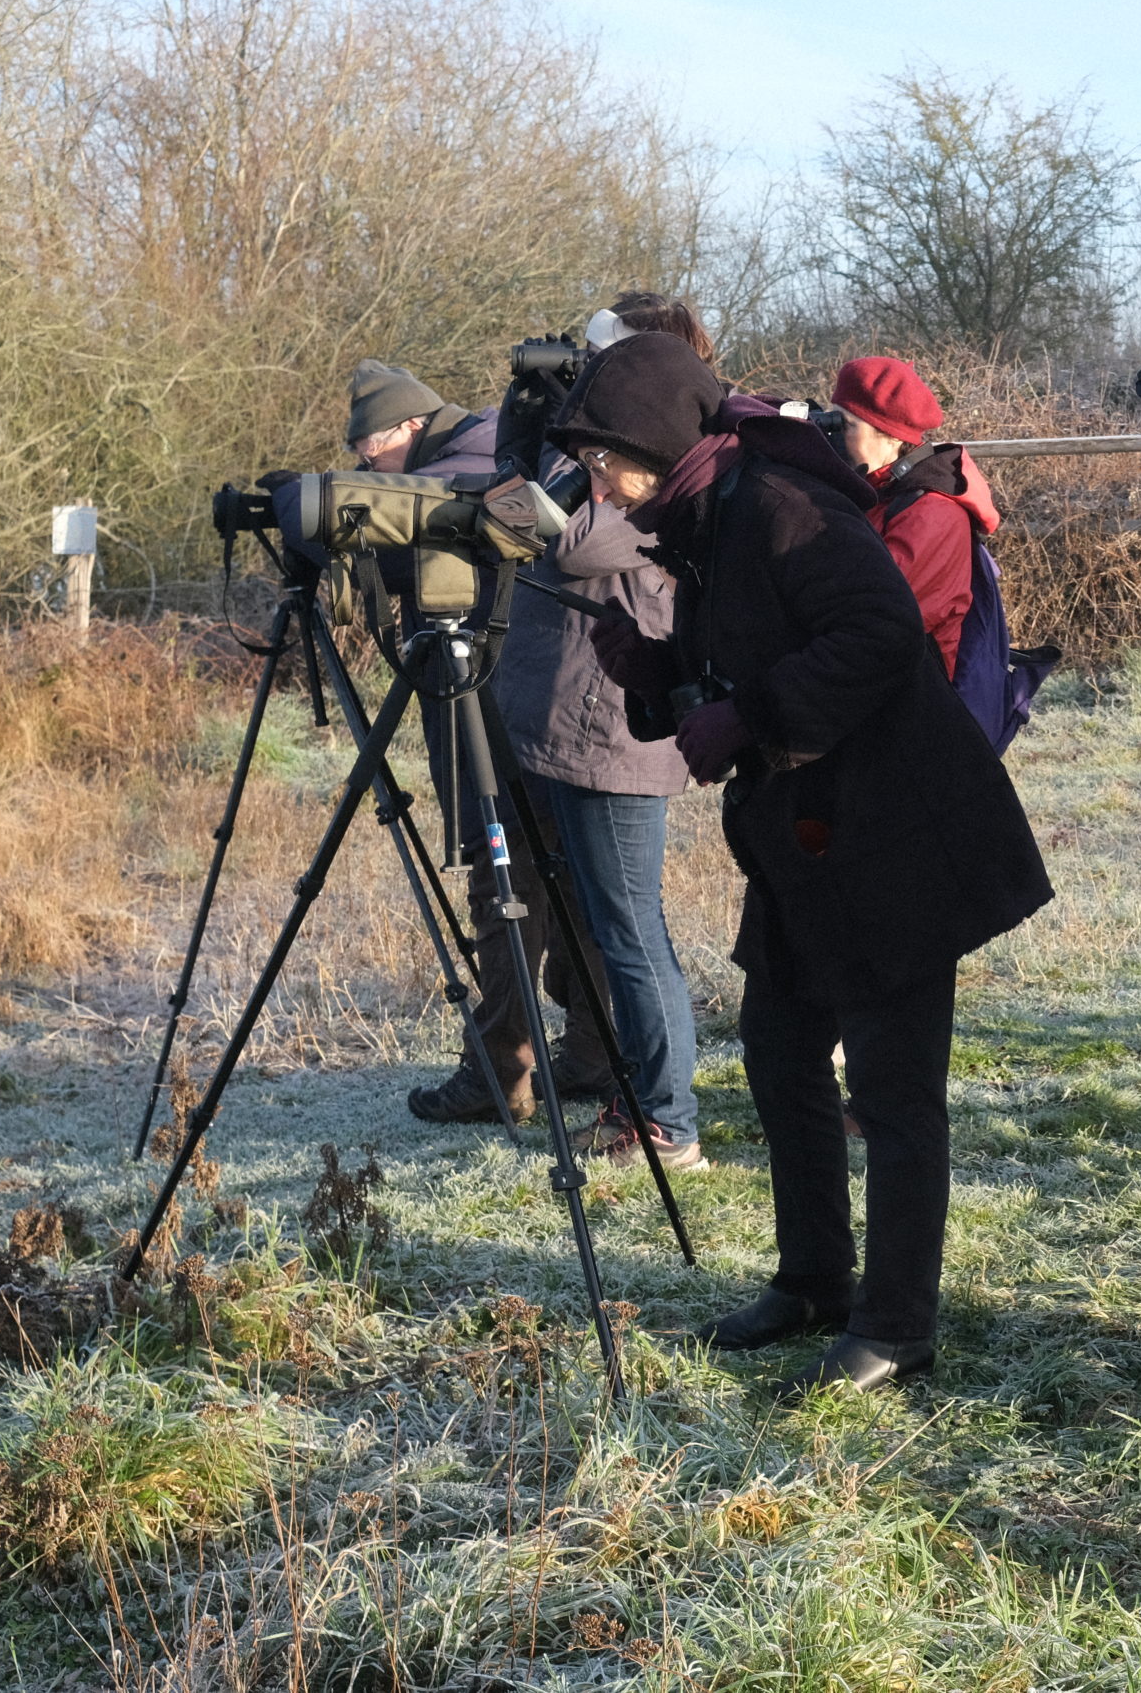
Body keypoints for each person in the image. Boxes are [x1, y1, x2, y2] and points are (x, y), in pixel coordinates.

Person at [560, 332, 1052, 1398]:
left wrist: (750, 715)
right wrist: (655, 673)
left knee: (894, 1091)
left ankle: (897, 1325)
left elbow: (879, 632)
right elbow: (745, 651)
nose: (597, 486)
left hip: (898, 837)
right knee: (783, 1058)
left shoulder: (779, 504)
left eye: (606, 461)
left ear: (658, 442)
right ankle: (815, 1281)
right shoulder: (706, 516)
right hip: (807, 841)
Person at [335, 361, 614, 1127]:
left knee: (505, 883)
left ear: (408, 426)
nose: (364, 465)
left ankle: (500, 1070)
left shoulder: (471, 471)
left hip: (494, 702)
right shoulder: (515, 451)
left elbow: (412, 533)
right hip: (551, 702)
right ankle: (594, 1054)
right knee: (568, 881)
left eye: (369, 448)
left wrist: (334, 521)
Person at [486, 299, 723, 1170]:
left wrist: (562, 444)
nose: (586, 376)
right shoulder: (600, 458)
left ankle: (669, 1121)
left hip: (613, 729)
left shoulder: (666, 461)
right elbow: (510, 530)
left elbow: (576, 546)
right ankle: (639, 1098)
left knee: (631, 933)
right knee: (611, 925)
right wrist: (522, 443)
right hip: (571, 724)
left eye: (600, 361)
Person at [825, 356, 997, 680]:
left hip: (914, 688)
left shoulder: (932, 513)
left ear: (892, 436)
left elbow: (876, 611)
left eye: (845, 425)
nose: (833, 437)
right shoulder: (877, 491)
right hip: (877, 671)